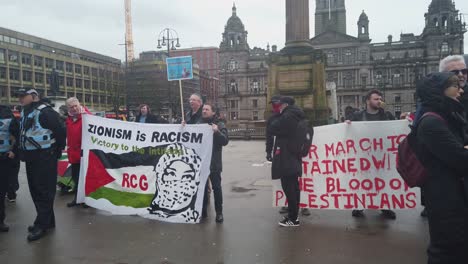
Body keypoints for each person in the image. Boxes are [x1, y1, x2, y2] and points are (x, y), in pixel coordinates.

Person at [415, 72, 468, 263]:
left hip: (455, 193)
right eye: (455, 86)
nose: (461, 90)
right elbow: (461, 158)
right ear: (439, 91)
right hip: (444, 199)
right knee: (446, 251)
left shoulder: (449, 115)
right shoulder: (431, 122)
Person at [16, 88, 66, 241]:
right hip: (32, 157)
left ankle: (42, 225)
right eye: (19, 96)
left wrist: (56, 152)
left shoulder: (46, 112)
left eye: (23, 96)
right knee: (36, 190)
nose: (20, 99)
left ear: (34, 96)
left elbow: (61, 131)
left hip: (45, 157)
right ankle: (48, 221)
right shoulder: (25, 111)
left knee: (44, 191)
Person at [348, 90, 397, 220]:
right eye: (376, 99)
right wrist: (347, 125)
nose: (379, 101)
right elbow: (349, 132)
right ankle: (359, 205)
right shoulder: (358, 116)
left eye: (380, 99)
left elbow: (395, 129)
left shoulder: (386, 115)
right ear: (368, 101)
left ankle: (385, 206)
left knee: (382, 182)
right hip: (364, 156)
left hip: (382, 157)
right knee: (363, 182)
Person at [268, 96, 306, 227]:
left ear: (284, 104)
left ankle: (293, 218)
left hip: (286, 156)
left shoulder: (288, 116)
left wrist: (277, 118)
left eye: (280, 105)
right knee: (294, 188)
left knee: (289, 188)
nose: (278, 107)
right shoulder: (297, 115)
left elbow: (272, 127)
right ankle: (293, 215)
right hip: (293, 155)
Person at [201, 103, 229, 223]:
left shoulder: (219, 124)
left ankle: (219, 213)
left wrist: (217, 131)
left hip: (214, 163)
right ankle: (202, 211)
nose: (204, 111)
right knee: (201, 188)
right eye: (203, 109)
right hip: (201, 162)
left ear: (213, 112)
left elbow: (225, 141)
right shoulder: (199, 124)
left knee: (216, 188)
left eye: (207, 109)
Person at [65, 97, 91, 208]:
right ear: (69, 109)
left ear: (79, 105)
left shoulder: (86, 116)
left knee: (85, 178)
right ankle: (77, 198)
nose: (74, 108)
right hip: (74, 154)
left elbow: (94, 122)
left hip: (84, 153)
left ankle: (86, 200)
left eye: (76, 105)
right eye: (71, 107)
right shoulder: (69, 119)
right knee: (76, 178)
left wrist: (86, 113)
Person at [0, 104, 20, 232]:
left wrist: (14, 151)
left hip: (4, 158)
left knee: (1, 191)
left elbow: (17, 136)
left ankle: (0, 221)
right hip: (5, 157)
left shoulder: (8, 116)